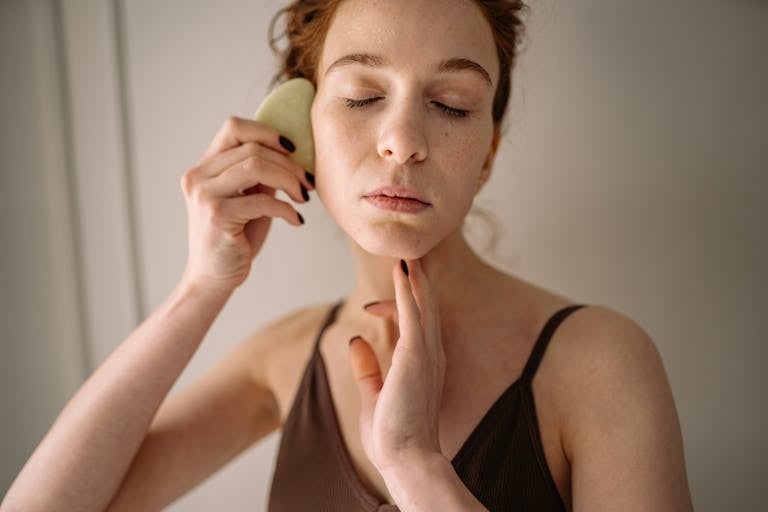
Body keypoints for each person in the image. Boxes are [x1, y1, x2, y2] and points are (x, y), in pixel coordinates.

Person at [1, 1, 694, 511]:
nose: (402, 139)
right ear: (296, 135)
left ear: (487, 156)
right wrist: (200, 289)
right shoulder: (287, 358)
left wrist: (417, 466)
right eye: (362, 95)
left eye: (451, 104)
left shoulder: (601, 365)